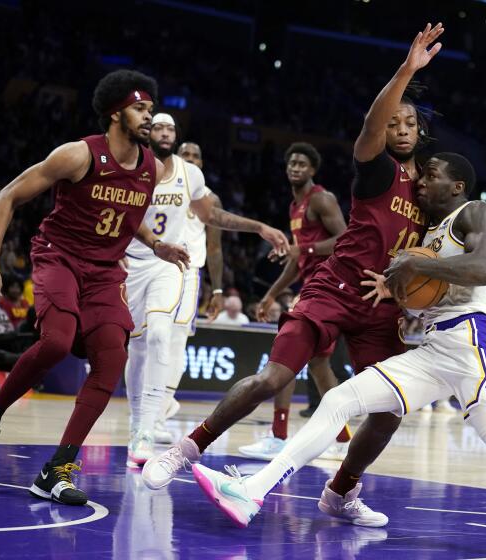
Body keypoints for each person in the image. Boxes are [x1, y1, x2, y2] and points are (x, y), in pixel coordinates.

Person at [189, 152, 486, 560]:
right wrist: (392, 286)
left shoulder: (477, 212)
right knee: (339, 401)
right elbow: (422, 289)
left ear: (456, 185)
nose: (422, 181)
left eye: (431, 175)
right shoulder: (428, 234)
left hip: (473, 344)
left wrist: (417, 265)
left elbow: (483, 267)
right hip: (434, 348)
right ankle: (252, 492)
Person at [142, 25, 442, 530]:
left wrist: (399, 287)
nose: (401, 127)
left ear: (422, 133)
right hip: (335, 286)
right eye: (395, 122)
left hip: (381, 307)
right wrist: (406, 72)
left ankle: (341, 492)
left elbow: (426, 256)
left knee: (391, 410)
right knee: (273, 378)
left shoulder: (431, 198)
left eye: (410, 122)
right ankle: (188, 447)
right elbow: (372, 123)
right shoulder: (377, 171)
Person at [0, 70, 191, 505]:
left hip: (106, 271)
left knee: (113, 358)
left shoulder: (150, 166)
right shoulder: (78, 155)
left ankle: (56, 470)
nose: (148, 116)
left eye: (150, 108)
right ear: (116, 113)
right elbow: (7, 198)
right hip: (60, 257)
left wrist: (156, 245)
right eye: (140, 108)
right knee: (56, 342)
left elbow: (128, 219)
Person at [123, 113, 288, 468]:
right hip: (133, 263)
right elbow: (118, 213)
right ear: (148, 133)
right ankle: (138, 421)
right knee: (138, 346)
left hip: (174, 265)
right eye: (159, 128)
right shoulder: (132, 167)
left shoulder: (190, 175)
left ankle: (148, 429)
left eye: (170, 128)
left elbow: (214, 219)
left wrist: (259, 227)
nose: (165, 132)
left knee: (161, 335)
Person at [238, 142, 350, 461]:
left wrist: (306, 250)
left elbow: (345, 239)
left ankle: (278, 436)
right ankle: (343, 439)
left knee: (285, 353)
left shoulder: (322, 199)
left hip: (328, 284)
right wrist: (271, 293)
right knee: (317, 364)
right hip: (314, 284)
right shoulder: (294, 207)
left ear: (313, 170)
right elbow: (294, 260)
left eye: (302, 163)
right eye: (291, 163)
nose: (295, 167)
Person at [150, 140, 226, 444]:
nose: (191, 158)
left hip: (189, 273)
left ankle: (161, 409)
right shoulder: (158, 184)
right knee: (152, 337)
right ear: (177, 159)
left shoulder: (210, 199)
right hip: (155, 267)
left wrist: (217, 289)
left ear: (202, 164)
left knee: (176, 340)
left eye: (197, 155)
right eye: (186, 154)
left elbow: (215, 247)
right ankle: (152, 407)